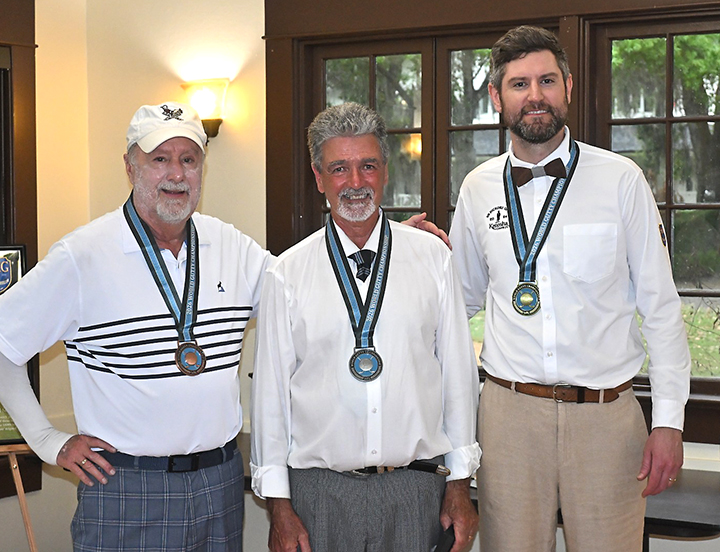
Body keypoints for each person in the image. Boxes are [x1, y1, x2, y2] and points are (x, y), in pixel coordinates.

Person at [448, 26, 691, 551]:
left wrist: (670, 421)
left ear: (569, 88)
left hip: (607, 420)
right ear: (496, 97)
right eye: (519, 84)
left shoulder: (621, 180)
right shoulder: (477, 187)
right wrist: (411, 257)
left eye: (547, 81)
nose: (535, 95)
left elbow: (661, 308)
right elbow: (457, 301)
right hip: (508, 419)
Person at [0, 101, 272, 550]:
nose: (176, 174)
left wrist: (378, 243)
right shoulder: (82, 255)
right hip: (125, 487)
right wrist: (48, 440)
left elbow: (302, 298)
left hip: (219, 484)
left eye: (189, 159)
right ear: (130, 168)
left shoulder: (233, 246)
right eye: (159, 159)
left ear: (202, 169)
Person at [250, 102, 481, 552]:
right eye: (339, 168)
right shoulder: (286, 272)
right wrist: (279, 506)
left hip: (416, 489)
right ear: (319, 178)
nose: (355, 182)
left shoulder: (433, 258)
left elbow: (458, 378)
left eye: (367, 166)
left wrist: (459, 483)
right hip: (319, 493)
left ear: (385, 172)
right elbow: (271, 398)